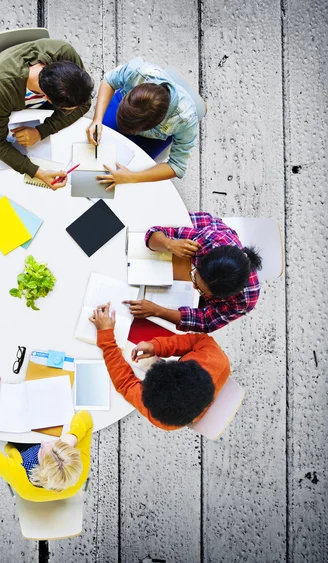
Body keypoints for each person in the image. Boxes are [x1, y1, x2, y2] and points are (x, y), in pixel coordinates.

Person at [90, 303, 230, 430]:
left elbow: (125, 384)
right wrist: (157, 346)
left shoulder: (161, 414)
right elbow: (197, 340)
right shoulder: (215, 356)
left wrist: (106, 337)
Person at [0, 39, 94, 189]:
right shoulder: (1, 88)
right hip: (10, 101)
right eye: (68, 110)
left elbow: (85, 104)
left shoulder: (66, 53)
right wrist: (37, 172)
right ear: (47, 98)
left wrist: (41, 132)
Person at [125, 212, 262, 333]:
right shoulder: (207, 241)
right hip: (200, 230)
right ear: (202, 259)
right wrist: (169, 243)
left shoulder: (245, 300)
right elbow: (154, 231)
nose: (194, 286)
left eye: (201, 290)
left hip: (181, 296)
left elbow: (205, 321)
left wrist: (158, 311)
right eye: (195, 278)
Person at [0, 377, 93, 501]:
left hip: (20, 445)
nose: (42, 442)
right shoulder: (78, 467)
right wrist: (72, 437)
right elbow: (85, 417)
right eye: (57, 443)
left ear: (41, 469)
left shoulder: (18, 474)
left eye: (42, 450)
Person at [86, 57, 199, 188]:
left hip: (154, 138)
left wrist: (132, 177)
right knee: (91, 145)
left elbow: (177, 166)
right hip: (126, 110)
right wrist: (97, 119)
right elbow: (109, 81)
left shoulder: (185, 120)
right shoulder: (138, 71)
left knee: (127, 179)